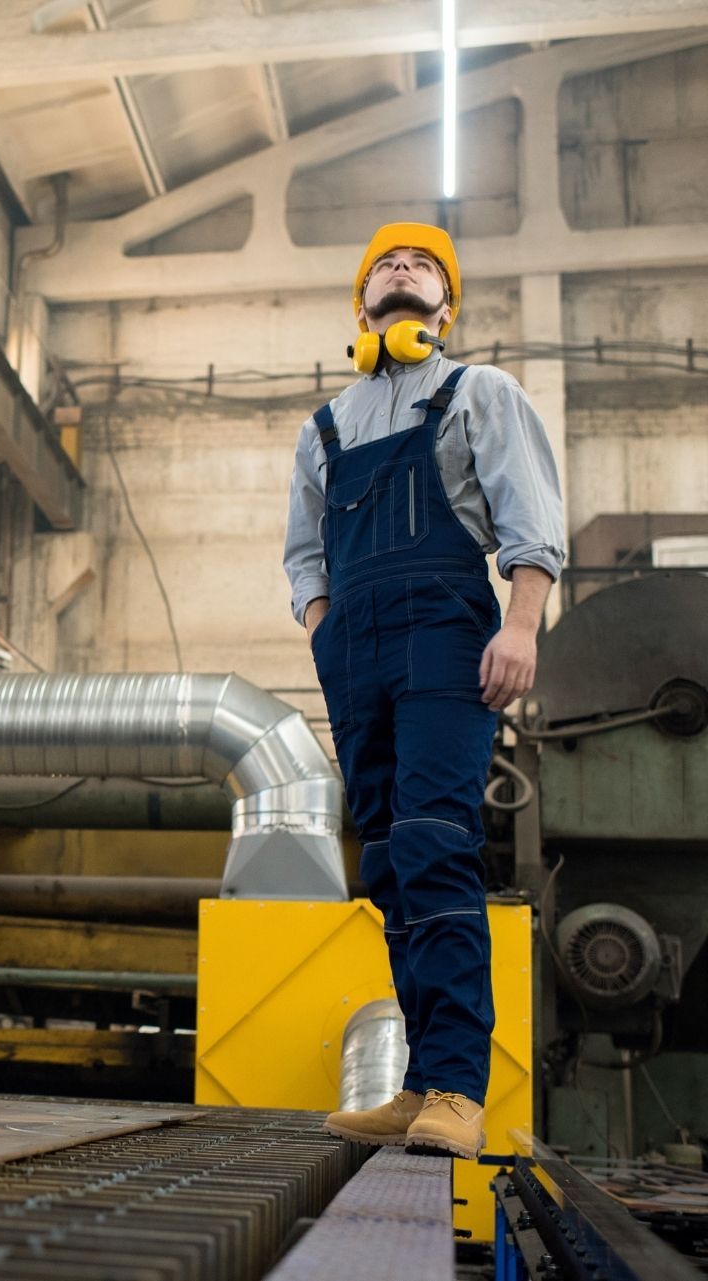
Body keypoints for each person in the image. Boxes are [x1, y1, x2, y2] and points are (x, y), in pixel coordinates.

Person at [283, 223, 565, 1159]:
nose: (404, 272)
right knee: (389, 867)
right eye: (386, 265)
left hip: (446, 635)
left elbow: (530, 518)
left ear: (445, 309)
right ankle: (414, 1085)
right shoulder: (323, 427)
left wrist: (519, 624)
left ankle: (456, 1086)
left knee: (434, 843)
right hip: (356, 656)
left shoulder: (478, 393)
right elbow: (304, 556)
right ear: (360, 306)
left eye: (425, 266)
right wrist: (326, 638)